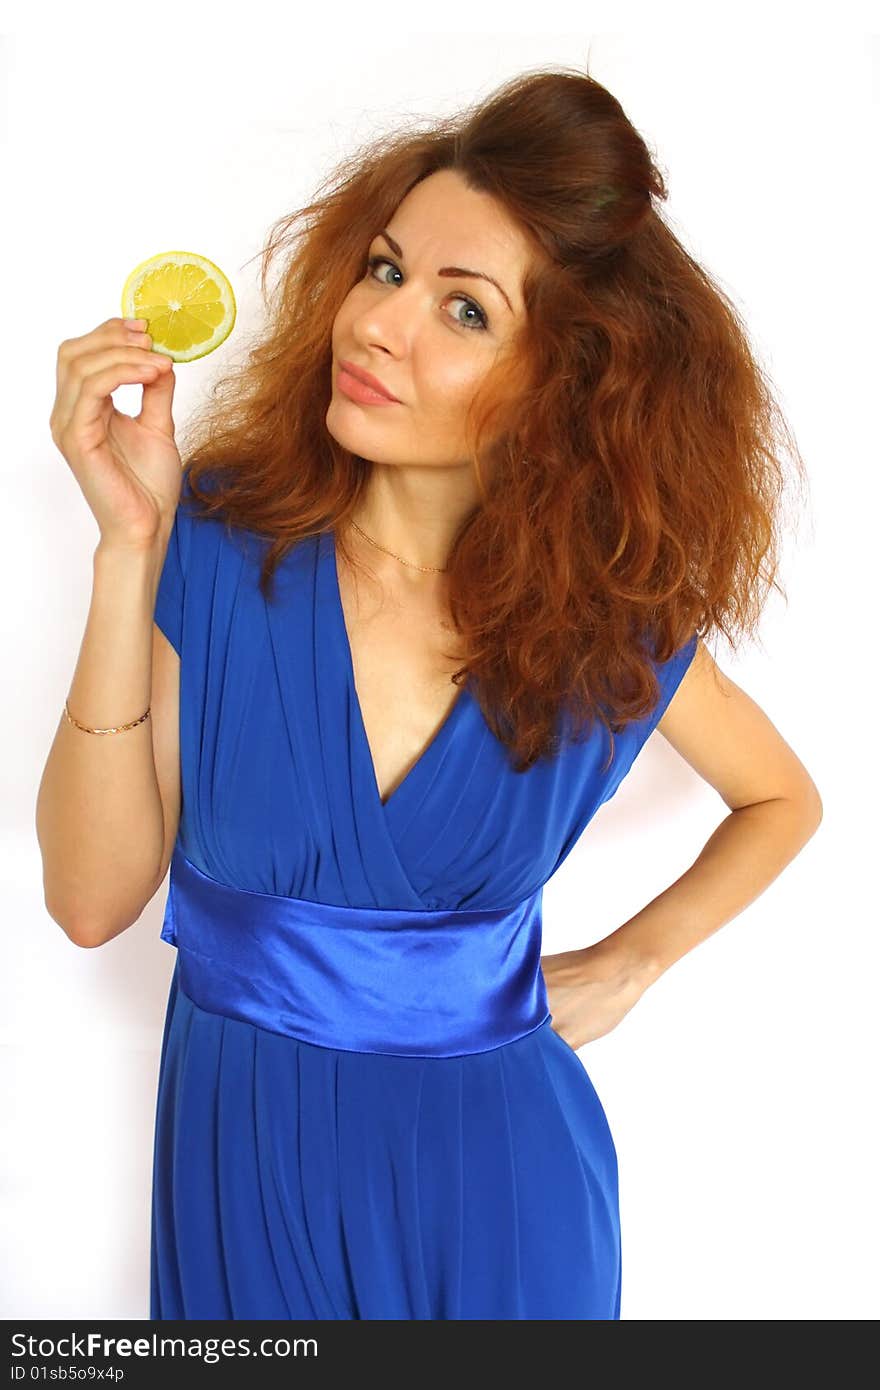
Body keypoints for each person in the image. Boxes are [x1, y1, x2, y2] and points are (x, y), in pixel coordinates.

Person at [37, 68, 823, 1320]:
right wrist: (127, 550)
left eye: (465, 311)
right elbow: (87, 905)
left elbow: (783, 797)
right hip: (246, 1171)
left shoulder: (604, 627)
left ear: (564, 377)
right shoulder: (220, 545)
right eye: (389, 270)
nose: (379, 325)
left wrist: (629, 964)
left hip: (505, 1193)